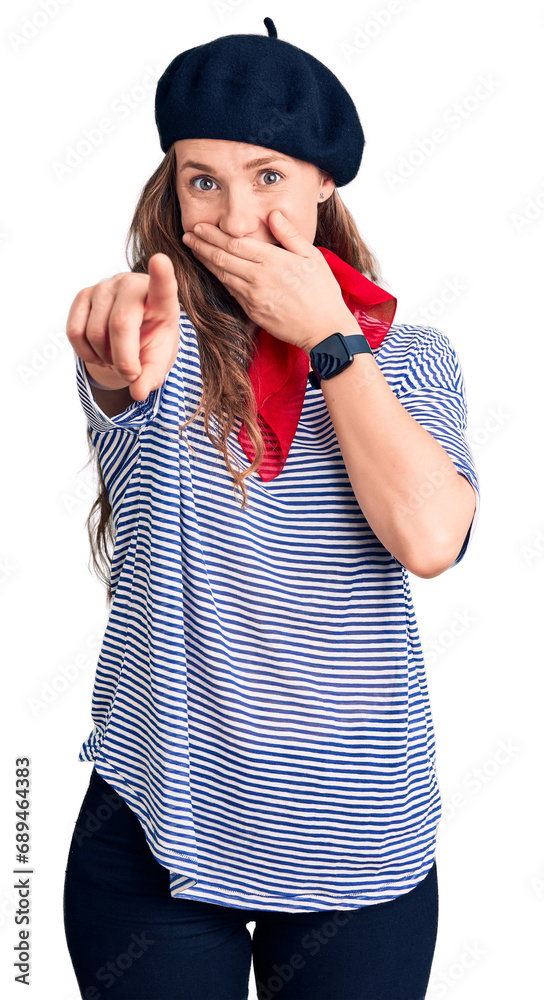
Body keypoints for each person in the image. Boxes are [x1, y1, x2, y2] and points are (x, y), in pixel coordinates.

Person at [62, 17, 479, 1000]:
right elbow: (127, 385)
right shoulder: (152, 340)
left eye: (267, 178)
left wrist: (332, 341)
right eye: (203, 179)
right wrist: (113, 371)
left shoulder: (410, 359)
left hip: (357, 840)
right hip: (156, 821)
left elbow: (428, 537)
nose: (234, 215)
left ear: (324, 185)